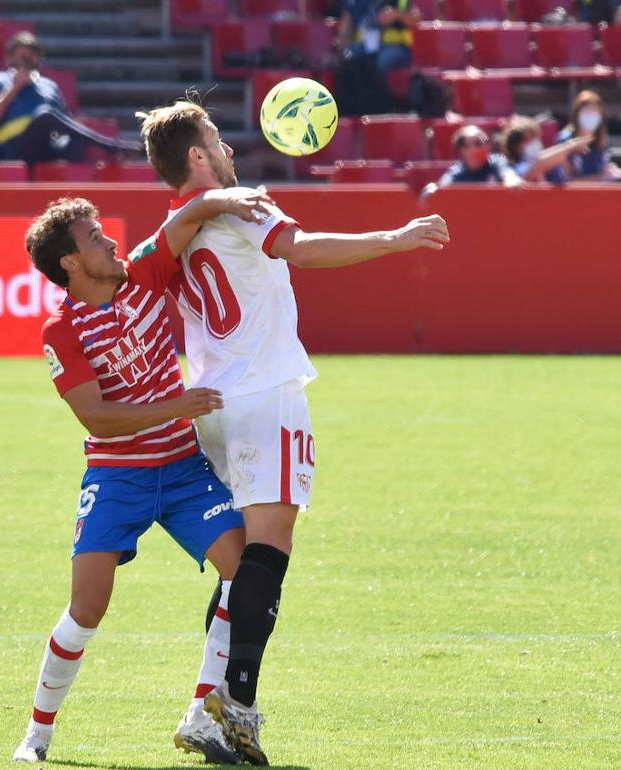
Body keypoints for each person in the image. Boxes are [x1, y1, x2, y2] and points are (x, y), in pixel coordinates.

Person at [138, 98, 450, 765]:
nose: (226, 146)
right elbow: (301, 250)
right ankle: (239, 709)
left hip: (214, 402)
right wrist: (394, 239)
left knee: (238, 563)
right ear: (197, 156)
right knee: (268, 554)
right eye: (216, 137)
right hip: (266, 394)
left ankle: (203, 709)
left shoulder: (175, 228)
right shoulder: (239, 201)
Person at [13, 187, 278, 765]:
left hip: (183, 471)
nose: (110, 241)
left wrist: (229, 195)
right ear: (71, 263)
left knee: (244, 572)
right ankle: (36, 735)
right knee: (87, 607)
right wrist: (175, 407)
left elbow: (185, 217)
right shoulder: (61, 331)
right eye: (94, 239)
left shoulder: (144, 274)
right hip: (117, 479)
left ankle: (199, 715)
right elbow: (97, 419)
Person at [0, 31, 138, 166]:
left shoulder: (49, 86)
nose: (28, 61)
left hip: (48, 148)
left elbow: (65, 122)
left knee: (75, 143)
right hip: (14, 150)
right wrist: (15, 87)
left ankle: (90, 181)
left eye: (32, 56)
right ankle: (110, 146)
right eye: (23, 57)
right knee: (45, 114)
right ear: (9, 59)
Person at [334, 0, 421, 116]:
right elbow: (345, 27)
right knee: (348, 63)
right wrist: (342, 51)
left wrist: (397, 14)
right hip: (364, 48)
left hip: (394, 46)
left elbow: (415, 19)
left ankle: (380, 108)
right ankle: (355, 110)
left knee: (377, 64)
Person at [556, 90, 621, 181]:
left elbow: (600, 169)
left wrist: (610, 170)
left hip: (599, 192)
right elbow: (566, 183)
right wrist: (600, 177)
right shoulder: (564, 140)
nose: (591, 115)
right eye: (587, 111)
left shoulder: (600, 139)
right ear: (577, 115)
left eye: (595, 111)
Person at [501, 116, 592, 185]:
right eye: (528, 141)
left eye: (535, 139)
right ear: (516, 147)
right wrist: (569, 147)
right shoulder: (519, 168)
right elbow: (536, 168)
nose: (535, 143)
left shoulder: (551, 162)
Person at [437, 125, 523, 188]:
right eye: (478, 143)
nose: (485, 146)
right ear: (463, 150)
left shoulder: (496, 162)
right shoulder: (457, 172)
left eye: (487, 141)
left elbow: (508, 174)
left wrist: (511, 180)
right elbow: (442, 187)